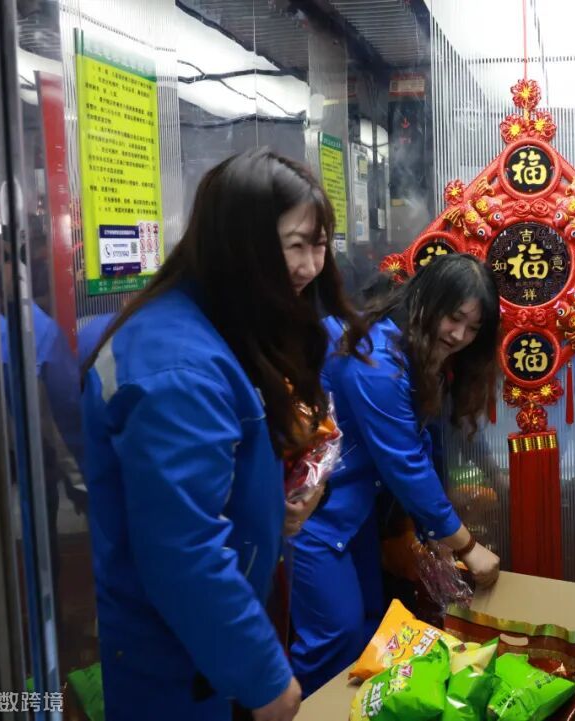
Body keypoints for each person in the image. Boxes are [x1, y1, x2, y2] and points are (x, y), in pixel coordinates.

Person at [81, 148, 365, 721]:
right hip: (176, 657)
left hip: (205, 642)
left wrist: (279, 501)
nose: (311, 267)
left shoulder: (216, 321)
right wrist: (263, 677)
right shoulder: (177, 369)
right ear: (240, 243)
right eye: (296, 245)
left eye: (320, 245)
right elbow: (183, 548)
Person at [289, 253, 503, 694]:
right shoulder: (375, 359)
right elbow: (403, 461)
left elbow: (420, 445)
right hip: (311, 515)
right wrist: (466, 545)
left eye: (473, 328)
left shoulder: (411, 347)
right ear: (427, 299)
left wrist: (436, 530)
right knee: (335, 637)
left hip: (353, 513)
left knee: (370, 628)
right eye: (454, 318)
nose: (459, 336)